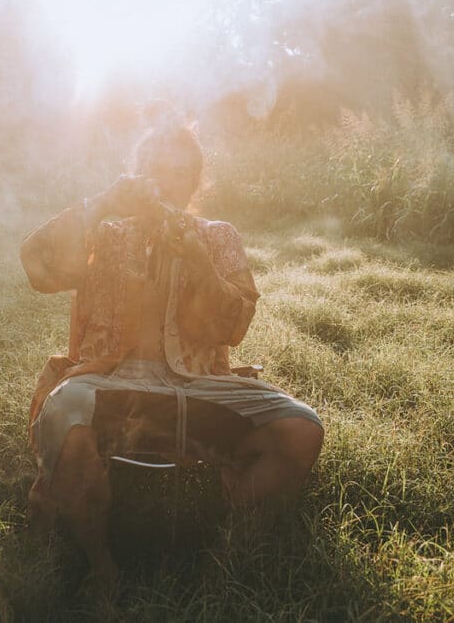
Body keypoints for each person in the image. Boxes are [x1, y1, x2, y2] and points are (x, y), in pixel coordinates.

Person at [20, 103, 323, 583]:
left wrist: (200, 263)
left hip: (200, 383)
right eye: (159, 171)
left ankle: (223, 549)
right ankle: (100, 565)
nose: (171, 184)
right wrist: (101, 202)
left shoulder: (218, 236)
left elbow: (235, 325)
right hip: (110, 380)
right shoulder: (104, 230)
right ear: (138, 176)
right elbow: (38, 267)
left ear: (196, 180)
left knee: (302, 428)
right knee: (66, 410)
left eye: (184, 173)